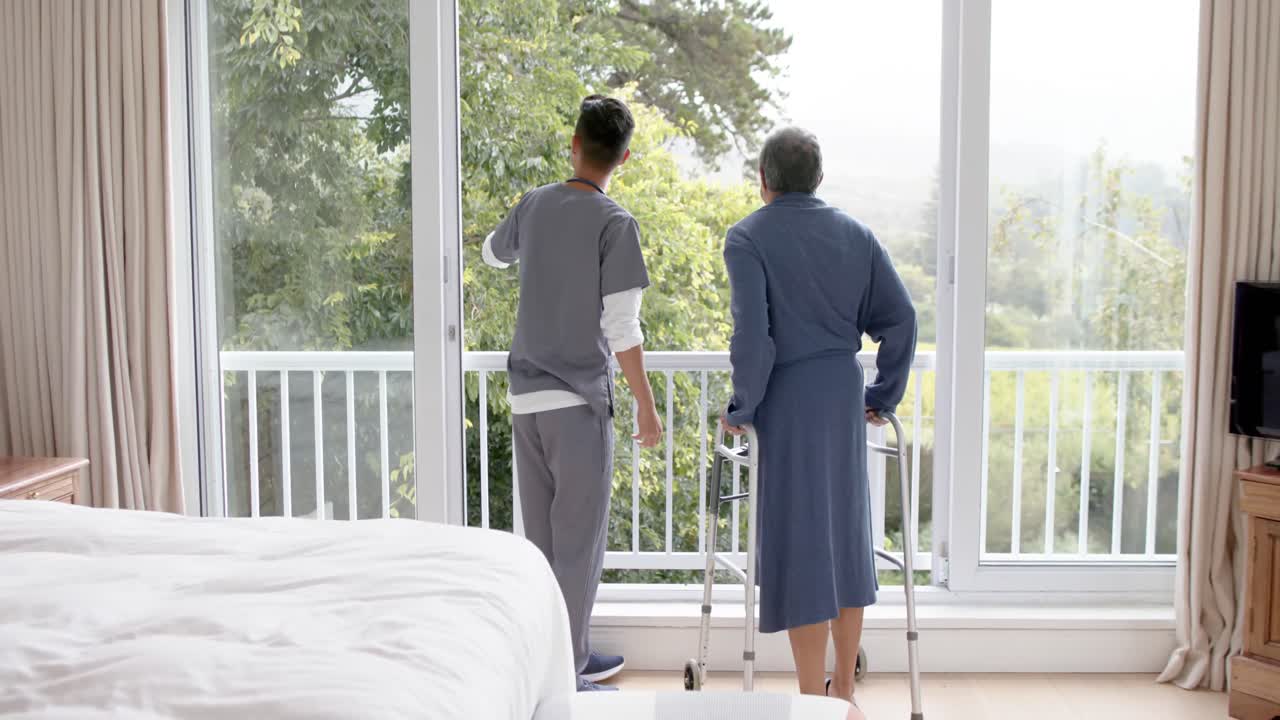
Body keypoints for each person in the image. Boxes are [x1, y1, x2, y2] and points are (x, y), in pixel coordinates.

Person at [720, 127, 917, 705]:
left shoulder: (747, 237)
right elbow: (901, 319)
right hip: (841, 399)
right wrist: (882, 395)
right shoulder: (857, 235)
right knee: (845, 540)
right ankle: (844, 692)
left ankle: (811, 701)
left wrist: (742, 406)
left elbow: (753, 338)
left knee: (803, 547)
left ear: (763, 179)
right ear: (819, 179)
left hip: (787, 402)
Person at [483, 95, 663, 692]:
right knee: (578, 547)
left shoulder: (535, 203)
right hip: (578, 405)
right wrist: (645, 405)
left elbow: (492, 253)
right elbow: (622, 328)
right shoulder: (616, 223)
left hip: (526, 403)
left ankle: (554, 661)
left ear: (574, 144)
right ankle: (571, 670)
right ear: (624, 158)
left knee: (541, 546)